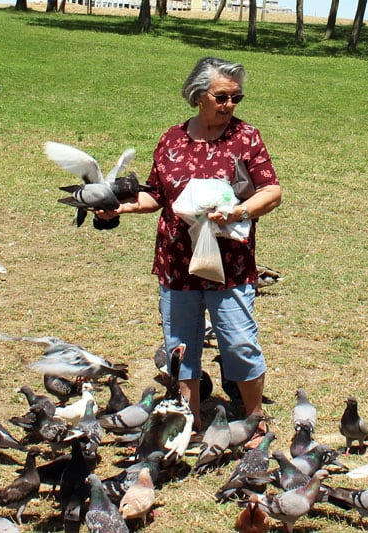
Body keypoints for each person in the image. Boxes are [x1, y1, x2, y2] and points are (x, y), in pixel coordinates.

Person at [97, 57, 282, 441]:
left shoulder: (246, 138)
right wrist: (120, 206)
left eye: (237, 97)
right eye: (222, 97)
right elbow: (155, 194)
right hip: (177, 262)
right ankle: (189, 423)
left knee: (239, 342)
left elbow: (272, 191)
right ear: (199, 95)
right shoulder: (172, 139)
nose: (230, 105)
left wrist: (239, 210)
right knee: (181, 347)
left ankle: (253, 417)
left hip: (228, 264)